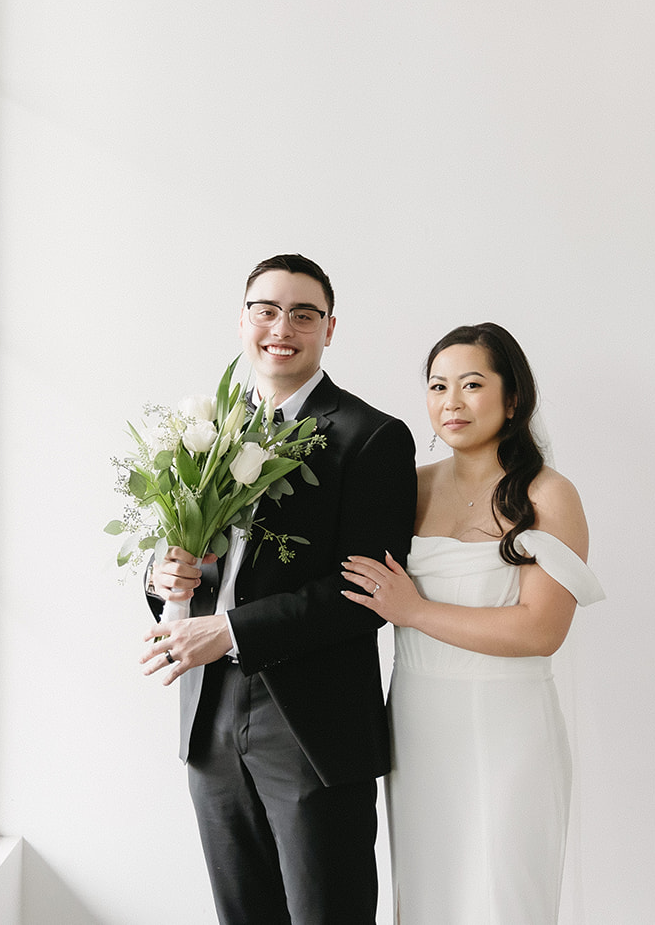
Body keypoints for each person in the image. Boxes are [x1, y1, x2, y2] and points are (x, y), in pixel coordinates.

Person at [141, 254, 417, 925]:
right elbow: (193, 555)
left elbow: (362, 593)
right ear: (242, 321)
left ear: (329, 328)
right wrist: (159, 575)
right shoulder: (205, 434)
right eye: (266, 309)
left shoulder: (371, 436)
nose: (281, 326)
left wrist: (229, 631)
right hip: (209, 714)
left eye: (303, 313)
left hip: (310, 724)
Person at [339, 322, 605, 925]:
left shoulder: (548, 494)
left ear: (513, 399)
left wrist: (415, 611)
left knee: (505, 894)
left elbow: (541, 630)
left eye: (471, 384)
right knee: (430, 893)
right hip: (416, 719)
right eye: (437, 386)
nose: (450, 402)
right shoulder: (406, 489)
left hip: (511, 727)